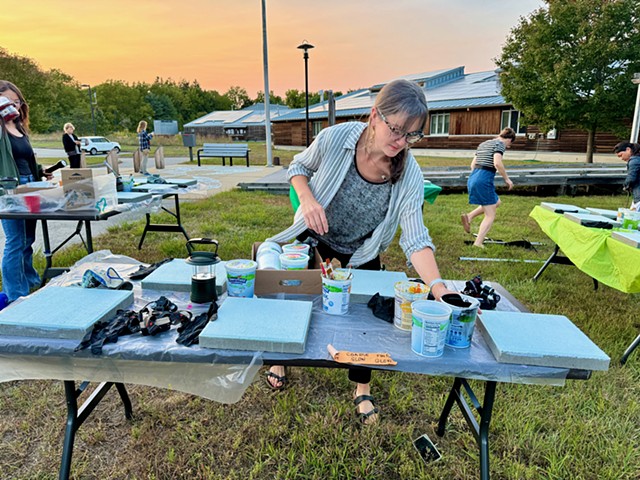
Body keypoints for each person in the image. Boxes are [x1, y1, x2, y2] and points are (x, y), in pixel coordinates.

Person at [265, 79, 454, 424]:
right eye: (396, 130)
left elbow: (415, 238)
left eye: (411, 135)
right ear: (373, 116)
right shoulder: (336, 138)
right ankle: (282, 357)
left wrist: (439, 288)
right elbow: (298, 167)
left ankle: (362, 389)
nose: (401, 142)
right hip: (314, 235)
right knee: (293, 298)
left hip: (362, 250)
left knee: (364, 320)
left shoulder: (408, 173)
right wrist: (307, 199)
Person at [0, 80, 52, 302]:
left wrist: (40, 171)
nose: (15, 105)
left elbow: (21, 158)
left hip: (31, 185)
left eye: (18, 101)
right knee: (15, 240)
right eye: (9, 101)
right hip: (11, 189)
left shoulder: (19, 127)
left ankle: (30, 282)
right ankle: (15, 296)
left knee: (28, 239)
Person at [460, 127, 516, 247]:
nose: (508, 147)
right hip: (484, 179)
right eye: (510, 145)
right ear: (509, 140)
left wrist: (478, 177)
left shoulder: (483, 144)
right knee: (490, 215)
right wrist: (507, 179)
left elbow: (473, 164)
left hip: (473, 176)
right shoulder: (500, 144)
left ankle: (469, 217)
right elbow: (497, 163)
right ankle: (478, 243)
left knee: (496, 202)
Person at [613, 142, 640, 211]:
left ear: (628, 150)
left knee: (634, 216)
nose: (621, 158)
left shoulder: (634, 161)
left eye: (621, 155)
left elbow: (631, 178)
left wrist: (626, 185)